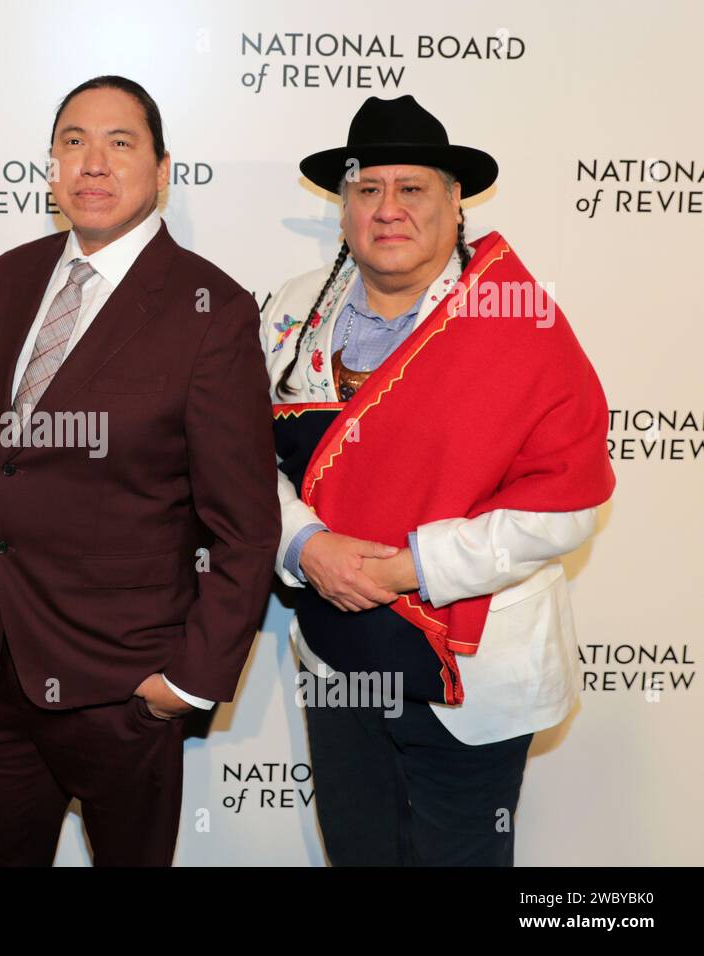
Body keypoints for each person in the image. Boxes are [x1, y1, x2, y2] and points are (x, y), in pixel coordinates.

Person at [0, 75, 280, 866]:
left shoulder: (210, 309)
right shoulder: (10, 276)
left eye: (120, 143)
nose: (93, 162)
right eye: (73, 142)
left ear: (162, 169)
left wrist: (188, 683)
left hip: (125, 683)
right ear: (50, 165)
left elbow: (247, 525)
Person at [263, 94, 615, 865]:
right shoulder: (291, 311)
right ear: (344, 205)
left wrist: (414, 566)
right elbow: (243, 461)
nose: (388, 209)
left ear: (456, 204)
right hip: (336, 665)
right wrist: (303, 546)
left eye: (413, 188)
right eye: (367, 188)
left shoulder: (515, 318)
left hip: (472, 678)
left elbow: (567, 503)